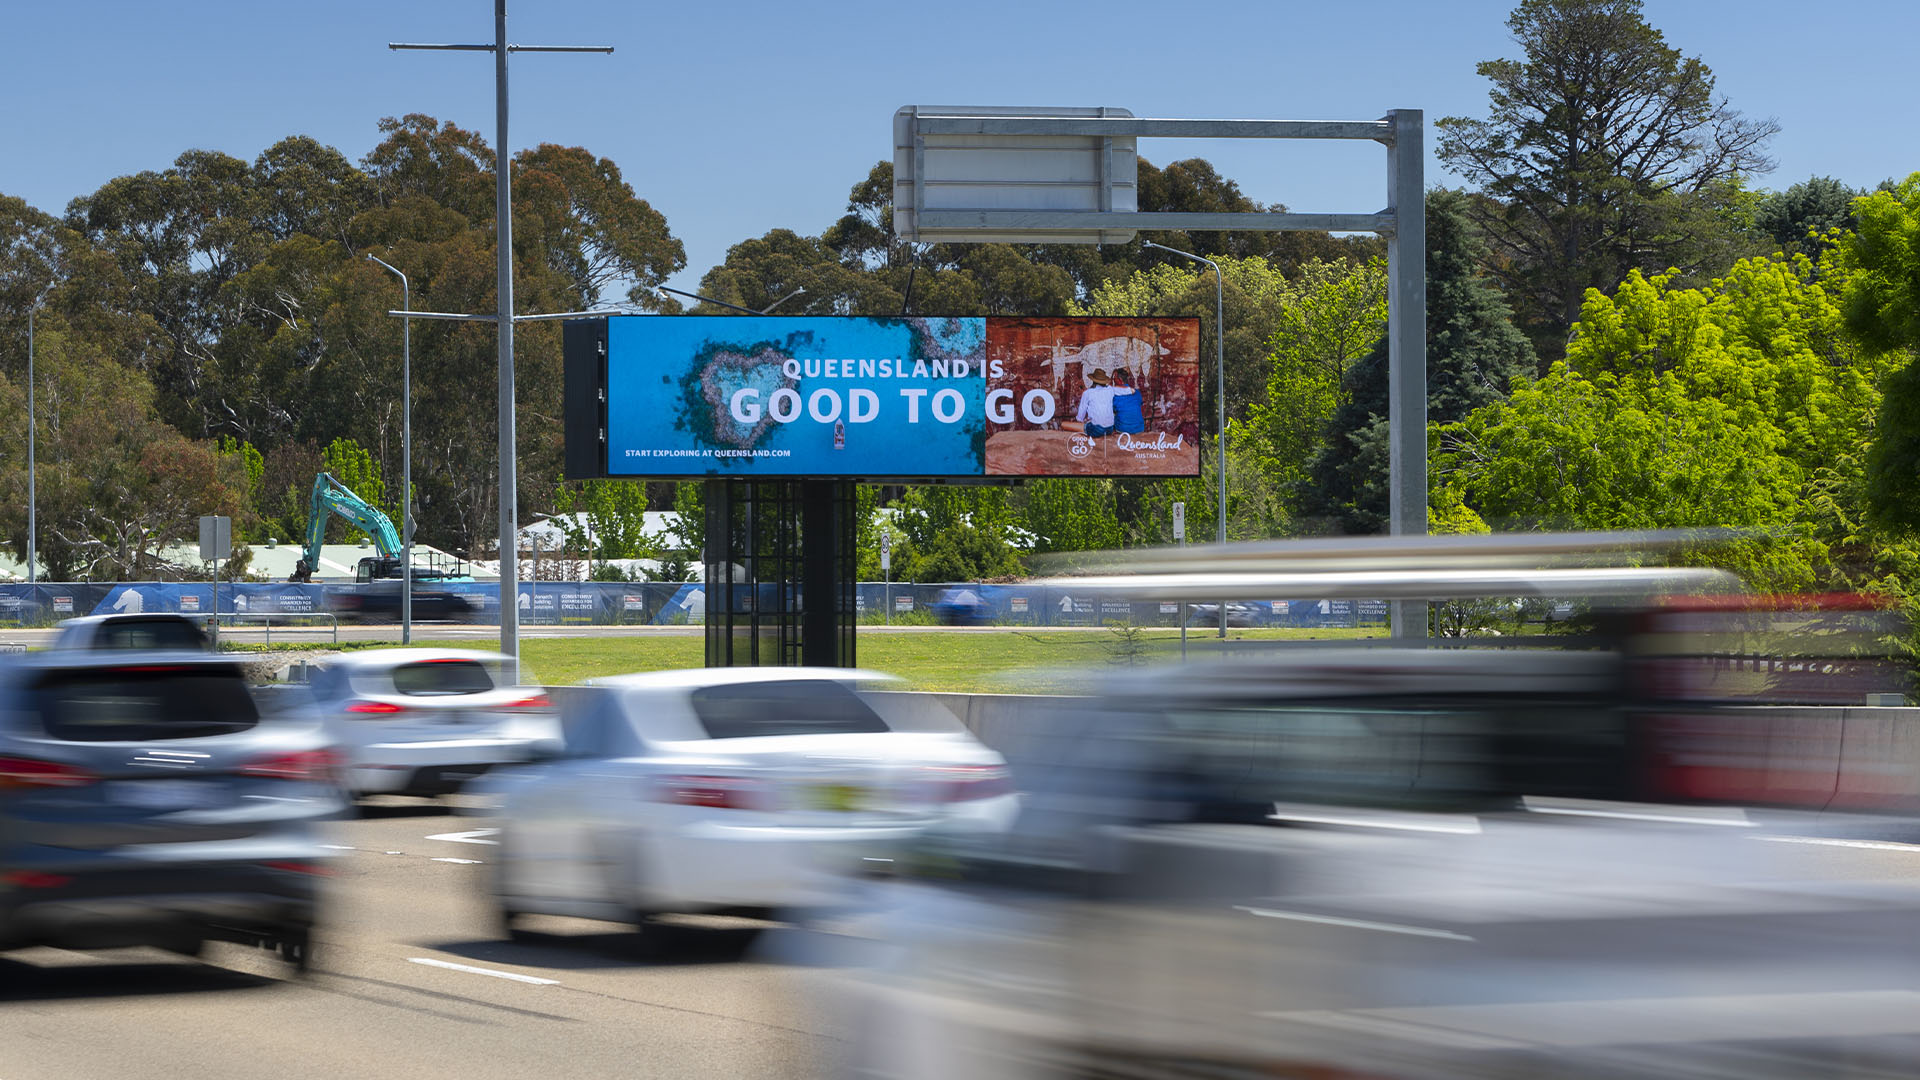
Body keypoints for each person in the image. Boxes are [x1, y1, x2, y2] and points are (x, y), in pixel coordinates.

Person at [1062, 370, 1120, 436]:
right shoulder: (1110, 390)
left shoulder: (1088, 393)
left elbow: (1080, 417)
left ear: (1093, 380)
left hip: (1096, 430)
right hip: (1110, 429)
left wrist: (1081, 420)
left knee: (1063, 424)